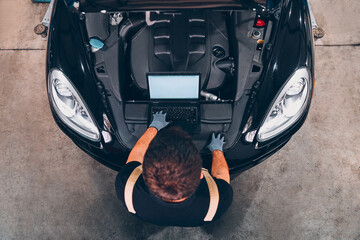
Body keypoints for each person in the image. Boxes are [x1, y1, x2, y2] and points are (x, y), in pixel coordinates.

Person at [115, 112, 233, 226]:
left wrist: (154, 126)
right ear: (201, 174)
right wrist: (217, 150)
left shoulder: (126, 186)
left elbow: (138, 155)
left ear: (145, 173)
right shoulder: (220, 200)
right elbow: (220, 174)